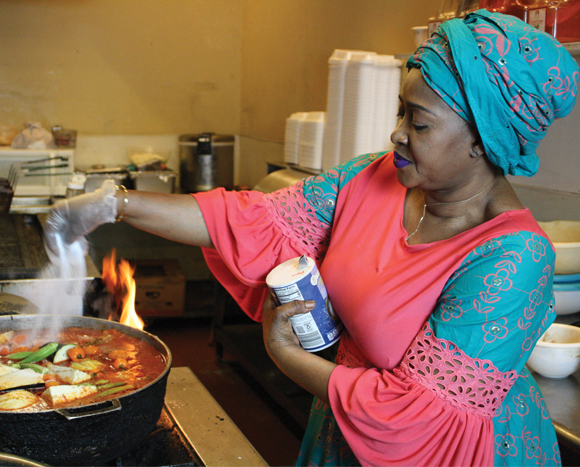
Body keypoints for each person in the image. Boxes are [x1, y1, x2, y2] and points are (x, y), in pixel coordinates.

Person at [44, 10, 579, 466]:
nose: (397, 132)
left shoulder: (513, 257)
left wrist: (284, 353)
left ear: (485, 141)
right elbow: (245, 221)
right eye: (401, 110)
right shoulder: (372, 177)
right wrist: (114, 204)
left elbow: (412, 415)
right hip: (347, 422)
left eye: (419, 122)